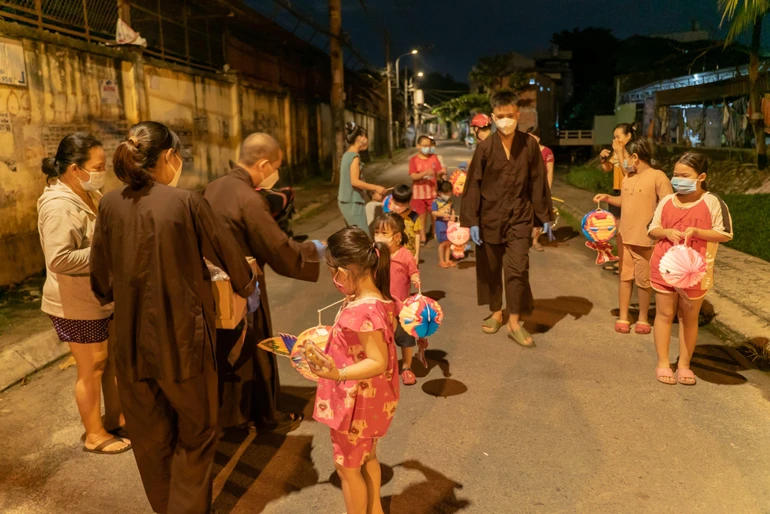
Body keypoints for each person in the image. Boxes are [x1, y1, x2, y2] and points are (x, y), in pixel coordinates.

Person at [90, 121, 256, 514]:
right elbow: (230, 258)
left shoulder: (110, 204)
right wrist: (248, 286)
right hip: (184, 342)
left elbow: (101, 280)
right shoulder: (185, 201)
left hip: (130, 344)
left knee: (150, 438)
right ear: (168, 157)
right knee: (197, 432)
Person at [205, 133, 322, 429]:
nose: (275, 175)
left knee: (225, 349)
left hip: (213, 285)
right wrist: (314, 251)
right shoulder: (249, 199)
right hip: (245, 285)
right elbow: (276, 247)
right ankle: (261, 414)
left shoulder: (213, 188)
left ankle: (228, 413)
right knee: (253, 346)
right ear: (265, 163)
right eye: (276, 167)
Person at [37, 133, 130, 455]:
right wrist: (108, 252)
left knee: (112, 361)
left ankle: (115, 419)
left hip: (100, 296)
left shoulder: (88, 194)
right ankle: (94, 435)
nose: (102, 171)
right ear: (75, 169)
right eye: (98, 166)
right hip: (75, 302)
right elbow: (59, 259)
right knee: (92, 367)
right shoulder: (59, 207)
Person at [308, 226, 399, 514]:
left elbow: (377, 360)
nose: (332, 278)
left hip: (355, 403)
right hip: (372, 399)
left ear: (344, 271)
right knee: (368, 457)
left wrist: (338, 374)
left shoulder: (361, 309)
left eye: (333, 270)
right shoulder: (379, 300)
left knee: (346, 467)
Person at [460, 90, 554, 347]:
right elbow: (474, 185)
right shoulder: (485, 148)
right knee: (491, 268)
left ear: (518, 115)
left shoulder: (530, 145)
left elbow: (537, 182)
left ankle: (513, 321)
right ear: (493, 117)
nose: (506, 120)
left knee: (517, 268)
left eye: (510, 115)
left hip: (521, 217)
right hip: (489, 217)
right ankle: (496, 311)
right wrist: (472, 221)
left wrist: (544, 216)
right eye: (500, 116)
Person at [648, 153, 733, 386]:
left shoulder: (713, 202)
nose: (678, 180)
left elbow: (725, 233)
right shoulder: (667, 201)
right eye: (675, 175)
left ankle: (684, 364)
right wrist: (665, 232)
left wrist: (697, 232)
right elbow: (652, 228)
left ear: (701, 177)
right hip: (664, 268)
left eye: (685, 175)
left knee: (689, 318)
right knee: (665, 315)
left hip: (695, 273)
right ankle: (663, 363)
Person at [593, 138, 673, 336]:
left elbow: (668, 205)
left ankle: (643, 318)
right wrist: (608, 197)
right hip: (625, 236)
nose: (624, 162)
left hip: (646, 239)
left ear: (635, 157)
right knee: (624, 277)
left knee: (644, 281)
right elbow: (625, 200)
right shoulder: (628, 177)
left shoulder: (658, 176)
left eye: (626, 157)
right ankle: (623, 315)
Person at [374, 213, 421, 385]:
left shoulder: (405, 255)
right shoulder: (376, 254)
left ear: (397, 237)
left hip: (401, 307)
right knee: (381, 337)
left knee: (406, 338)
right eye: (376, 232)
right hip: (379, 305)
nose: (378, 237)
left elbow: (413, 271)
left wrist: (415, 278)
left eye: (383, 233)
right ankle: (383, 366)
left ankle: (407, 366)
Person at [599, 123, 635, 272]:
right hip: (616, 191)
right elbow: (608, 169)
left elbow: (628, 171)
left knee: (627, 231)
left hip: (629, 193)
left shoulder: (633, 153)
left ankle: (628, 264)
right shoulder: (616, 152)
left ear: (629, 136)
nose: (615, 140)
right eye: (614, 137)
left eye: (618, 137)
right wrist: (603, 159)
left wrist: (620, 152)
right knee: (618, 229)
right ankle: (621, 261)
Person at [338, 122, 387, 233]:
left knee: (355, 236)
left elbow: (358, 181)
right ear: (359, 138)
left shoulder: (347, 155)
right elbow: (354, 182)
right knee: (363, 237)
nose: (366, 140)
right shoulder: (354, 157)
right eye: (365, 136)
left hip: (348, 201)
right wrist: (376, 187)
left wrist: (370, 194)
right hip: (352, 202)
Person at [409, 135, 444, 245]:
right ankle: (423, 238)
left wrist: (441, 174)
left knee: (435, 214)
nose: (427, 148)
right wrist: (424, 173)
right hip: (418, 194)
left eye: (429, 146)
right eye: (424, 146)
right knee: (421, 216)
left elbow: (438, 173)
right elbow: (413, 176)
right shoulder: (413, 160)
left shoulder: (434, 158)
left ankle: (435, 232)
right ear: (418, 146)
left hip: (432, 191)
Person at [528, 130, 555, 252]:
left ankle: (535, 241)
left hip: (540, 187)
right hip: (525, 187)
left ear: (538, 138)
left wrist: (547, 190)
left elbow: (549, 172)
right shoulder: (523, 151)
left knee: (538, 214)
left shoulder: (547, 152)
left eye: (532, 137)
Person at [390, 184, 422, 262]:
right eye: (396, 204)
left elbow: (417, 235)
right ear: (392, 200)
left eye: (402, 205)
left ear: (409, 203)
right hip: (394, 255)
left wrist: (417, 254)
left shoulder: (414, 217)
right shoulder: (390, 216)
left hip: (410, 255)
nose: (398, 207)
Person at [432, 181, 455, 268]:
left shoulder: (449, 201)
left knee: (448, 243)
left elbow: (452, 209)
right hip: (440, 224)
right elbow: (434, 212)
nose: (448, 196)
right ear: (440, 193)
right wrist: (443, 215)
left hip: (448, 224)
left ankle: (447, 259)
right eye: (446, 194)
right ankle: (441, 261)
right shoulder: (436, 202)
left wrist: (452, 215)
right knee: (442, 244)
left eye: (449, 194)